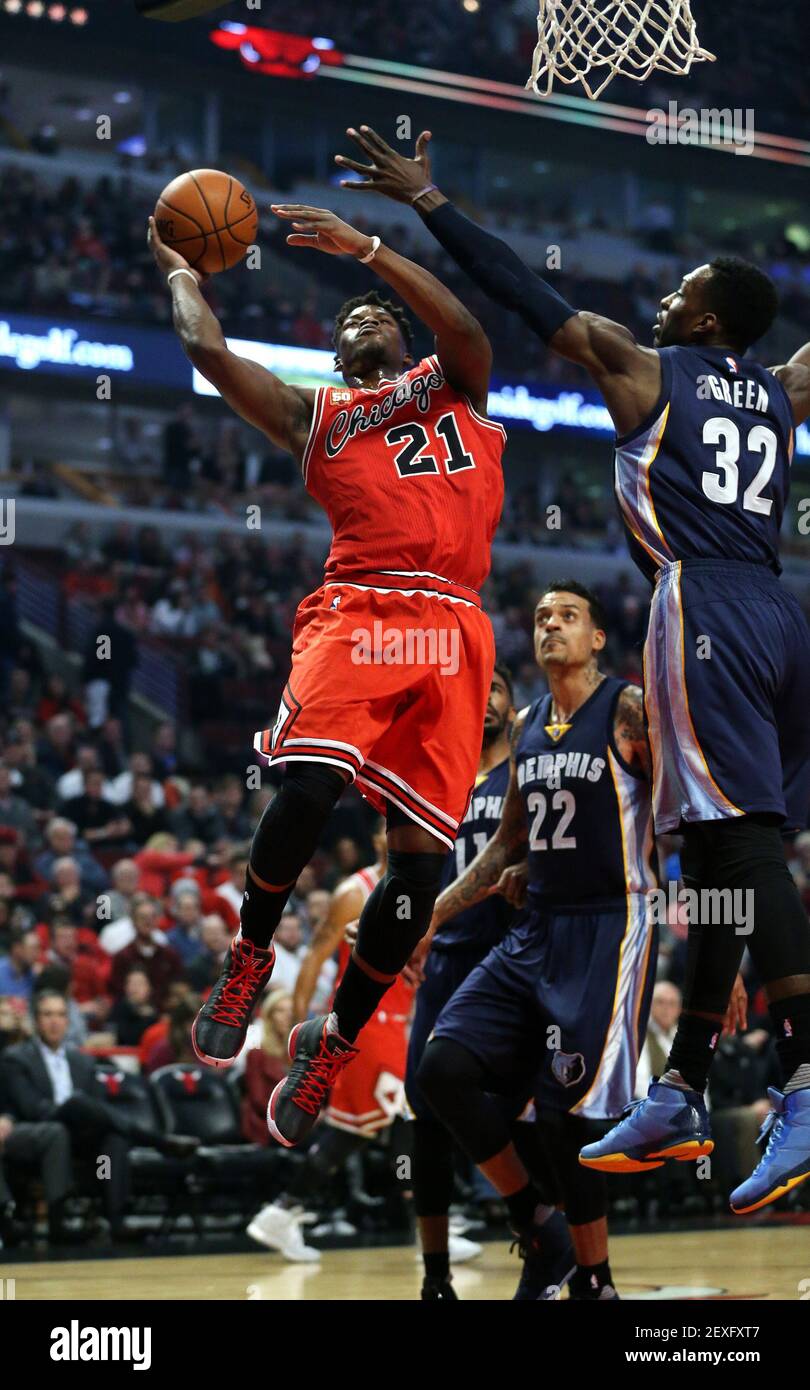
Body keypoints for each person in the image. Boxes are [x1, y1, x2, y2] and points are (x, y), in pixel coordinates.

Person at [344, 126, 810, 1216]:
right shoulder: (786, 386)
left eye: (685, 287)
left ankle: (799, 1078)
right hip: (785, 615)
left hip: (703, 607)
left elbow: (514, 290)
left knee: (736, 843)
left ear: (707, 318)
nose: (667, 296)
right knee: (731, 846)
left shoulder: (647, 366)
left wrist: (430, 200)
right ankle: (687, 1081)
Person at [148, 188, 505, 1152]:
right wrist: (182, 270)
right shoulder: (318, 413)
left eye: (377, 312)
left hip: (455, 630)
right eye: (350, 319)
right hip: (365, 606)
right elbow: (209, 354)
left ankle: (334, 1045)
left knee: (420, 869)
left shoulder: (456, 384)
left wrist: (374, 253)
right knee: (308, 782)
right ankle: (249, 952)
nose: (366, 319)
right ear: (338, 356)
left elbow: (467, 325)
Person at [413, 583, 657, 1300]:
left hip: (610, 924)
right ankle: (534, 1219)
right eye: (543, 617)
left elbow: (680, 816)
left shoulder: (627, 708)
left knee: (565, 1114)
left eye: (568, 616)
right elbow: (500, 849)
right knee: (443, 1069)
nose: (551, 625)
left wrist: (717, 948)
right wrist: (427, 917)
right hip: (536, 927)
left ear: (598, 638)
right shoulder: (525, 724)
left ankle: (595, 1279)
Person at [405, 663, 517, 1300]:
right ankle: (435, 1276)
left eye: (498, 689)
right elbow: (406, 872)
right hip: (446, 962)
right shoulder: (437, 784)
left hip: (508, 955)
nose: (488, 700)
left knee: (528, 1111)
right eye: (481, 691)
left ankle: (535, 1224)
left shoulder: (522, 778)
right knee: (426, 1117)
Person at [0, 991, 198, 1239]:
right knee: (76, 1105)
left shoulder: (82, 1061)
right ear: (37, 1020)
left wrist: (82, 1112)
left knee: (113, 1139)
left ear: (68, 1021)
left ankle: (115, 1219)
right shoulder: (16, 1058)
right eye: (47, 1014)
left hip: (85, 1145)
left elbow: (98, 1110)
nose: (54, 1021)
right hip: (38, 1133)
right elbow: (32, 1108)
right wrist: (74, 1109)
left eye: (60, 1015)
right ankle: (158, 1141)